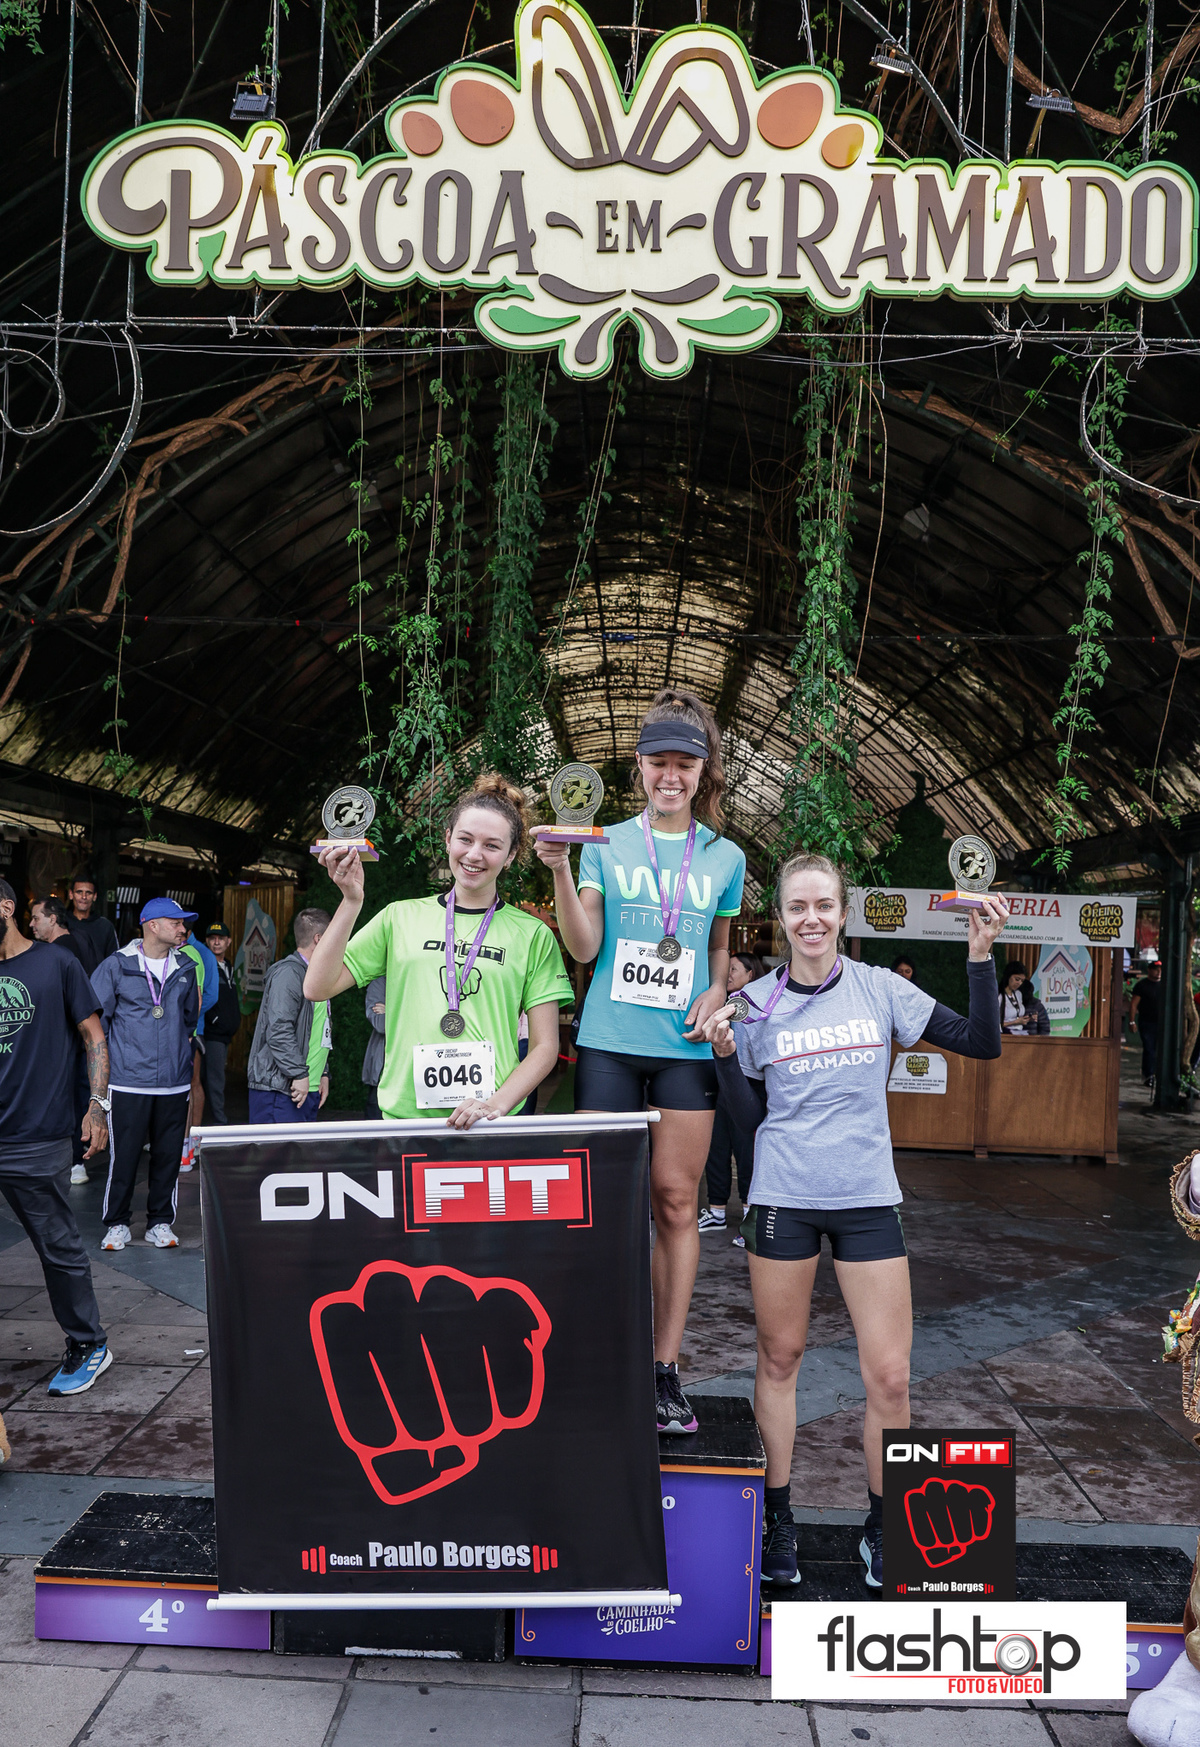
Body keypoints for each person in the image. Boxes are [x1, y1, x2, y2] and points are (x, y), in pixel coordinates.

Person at [699, 852, 1007, 1589]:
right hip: (784, 1198)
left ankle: (884, 1526)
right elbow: (750, 1121)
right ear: (781, 917)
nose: (811, 919)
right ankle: (777, 1520)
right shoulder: (754, 1004)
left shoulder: (881, 990)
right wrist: (724, 1056)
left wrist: (980, 956)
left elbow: (982, 1041)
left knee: (891, 1375)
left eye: (824, 906)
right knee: (780, 1361)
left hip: (868, 1198)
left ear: (843, 913)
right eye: (797, 907)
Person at [535, 690, 746, 1437]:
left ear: (703, 769)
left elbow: (718, 946)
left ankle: (663, 1367)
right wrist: (562, 870)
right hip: (610, 1044)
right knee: (599, 1203)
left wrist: (718, 988)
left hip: (684, 1048)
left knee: (676, 1204)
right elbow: (585, 946)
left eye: (685, 763)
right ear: (640, 765)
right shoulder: (606, 842)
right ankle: (596, 1353)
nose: (671, 775)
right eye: (659, 761)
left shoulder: (725, 857)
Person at [304, 773, 573, 1129]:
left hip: (489, 1123)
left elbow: (544, 1047)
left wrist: (493, 1106)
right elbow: (317, 987)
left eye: (492, 846)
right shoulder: (399, 917)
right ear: (447, 840)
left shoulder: (533, 934)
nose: (474, 854)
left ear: (510, 856)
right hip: (404, 1120)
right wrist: (351, 901)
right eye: (465, 839)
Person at [0, 877, 115, 1395]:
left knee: (57, 1247)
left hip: (37, 1135)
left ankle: (89, 1344)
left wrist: (97, 1106)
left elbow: (94, 1037)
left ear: (7, 907)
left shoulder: (57, 963)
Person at [90, 897, 202, 1251]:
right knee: (123, 1158)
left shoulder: (186, 967)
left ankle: (159, 1222)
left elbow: (189, 1019)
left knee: (168, 1157)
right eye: (176, 922)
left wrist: (177, 1055)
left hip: (173, 1082)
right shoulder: (116, 965)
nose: (183, 928)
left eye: (183, 923)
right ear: (153, 925)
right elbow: (97, 1024)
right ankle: (117, 1224)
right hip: (128, 1081)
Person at [698, 951, 766, 1236]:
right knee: (717, 1147)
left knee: (746, 1152)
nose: (728, 974)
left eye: (734, 969)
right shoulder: (721, 1002)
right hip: (720, 1084)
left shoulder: (762, 1003)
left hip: (749, 1087)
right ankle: (716, 1211)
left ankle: (751, 1216)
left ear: (751, 973)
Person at [246, 909, 332, 1122]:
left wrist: (322, 1073)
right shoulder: (289, 974)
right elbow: (279, 1030)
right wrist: (299, 1073)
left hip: (304, 1088)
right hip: (282, 1091)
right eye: (334, 936)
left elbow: (317, 1030)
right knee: (275, 1146)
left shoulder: (314, 975)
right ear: (318, 939)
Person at [31, 897, 92, 1184]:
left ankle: (74, 1161)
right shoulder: (80, 942)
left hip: (68, 1038)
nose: (32, 925)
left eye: (36, 918)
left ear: (53, 919)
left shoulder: (59, 952)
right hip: (78, 1037)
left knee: (68, 1099)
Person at [200, 923, 240, 1124]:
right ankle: (219, 1122)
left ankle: (213, 1119)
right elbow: (201, 997)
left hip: (225, 1033)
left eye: (221, 938)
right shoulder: (205, 966)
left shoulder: (228, 966)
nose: (216, 942)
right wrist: (215, 1020)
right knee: (215, 1079)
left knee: (214, 1077)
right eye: (212, 938)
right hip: (212, 1033)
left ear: (228, 942)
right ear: (206, 941)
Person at [65, 872, 118, 976]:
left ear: (95, 896)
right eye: (79, 892)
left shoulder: (105, 926)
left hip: (96, 983)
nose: (84, 897)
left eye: (88, 893)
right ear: (71, 894)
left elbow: (114, 961)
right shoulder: (61, 923)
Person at [1131, 959, 1163, 1087]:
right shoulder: (1142, 986)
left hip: (1161, 1023)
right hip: (1146, 1022)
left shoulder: (1165, 985)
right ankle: (1148, 1075)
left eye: (1160, 970)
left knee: (1159, 1049)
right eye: (1156, 969)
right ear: (1149, 970)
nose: (1158, 972)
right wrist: (1132, 1021)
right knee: (1149, 1048)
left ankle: (1157, 1074)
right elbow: (1134, 1004)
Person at [998, 960, 1050, 1037]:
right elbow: (993, 1024)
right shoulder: (998, 996)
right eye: (1017, 979)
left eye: (1022, 981)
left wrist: (1028, 1018)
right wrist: (1015, 1022)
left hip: (1020, 1033)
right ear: (1008, 976)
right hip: (1005, 1035)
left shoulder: (1018, 994)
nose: (1019, 983)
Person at [362, 974, 386, 1119]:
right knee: (377, 1127)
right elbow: (381, 1025)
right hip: (383, 1071)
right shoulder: (380, 983)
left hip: (415, 1070)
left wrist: (390, 1010)